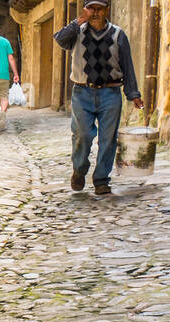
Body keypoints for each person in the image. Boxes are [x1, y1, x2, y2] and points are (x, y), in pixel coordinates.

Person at [55, 0, 144, 195]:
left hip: (110, 93)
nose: (95, 13)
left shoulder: (118, 34)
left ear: (106, 10)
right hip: (82, 92)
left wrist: (133, 94)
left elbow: (127, 65)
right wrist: (78, 21)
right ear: (85, 10)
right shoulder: (76, 32)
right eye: (91, 8)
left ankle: (101, 180)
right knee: (82, 135)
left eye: (99, 9)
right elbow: (60, 40)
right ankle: (79, 169)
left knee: (108, 139)